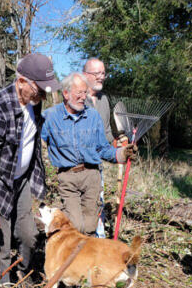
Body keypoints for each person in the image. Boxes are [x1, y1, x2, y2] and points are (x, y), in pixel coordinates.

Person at [0, 53, 59, 288]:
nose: (43, 95)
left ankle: (21, 275)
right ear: (21, 81)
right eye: (39, 88)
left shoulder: (34, 101)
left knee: (29, 236)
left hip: (19, 182)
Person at [41, 72, 137, 234]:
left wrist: (122, 154)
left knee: (91, 227)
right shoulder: (50, 117)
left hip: (92, 176)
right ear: (65, 93)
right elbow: (34, 143)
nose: (83, 97)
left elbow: (102, 149)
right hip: (68, 177)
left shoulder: (92, 116)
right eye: (79, 92)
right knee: (75, 226)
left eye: (85, 92)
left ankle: (86, 258)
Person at [84, 57, 128, 237]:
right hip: (78, 166)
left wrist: (120, 145)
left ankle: (98, 245)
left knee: (97, 205)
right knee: (82, 211)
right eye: (97, 73)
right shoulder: (76, 98)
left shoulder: (103, 100)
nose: (102, 77)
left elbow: (107, 131)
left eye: (103, 73)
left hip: (97, 164)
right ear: (86, 75)